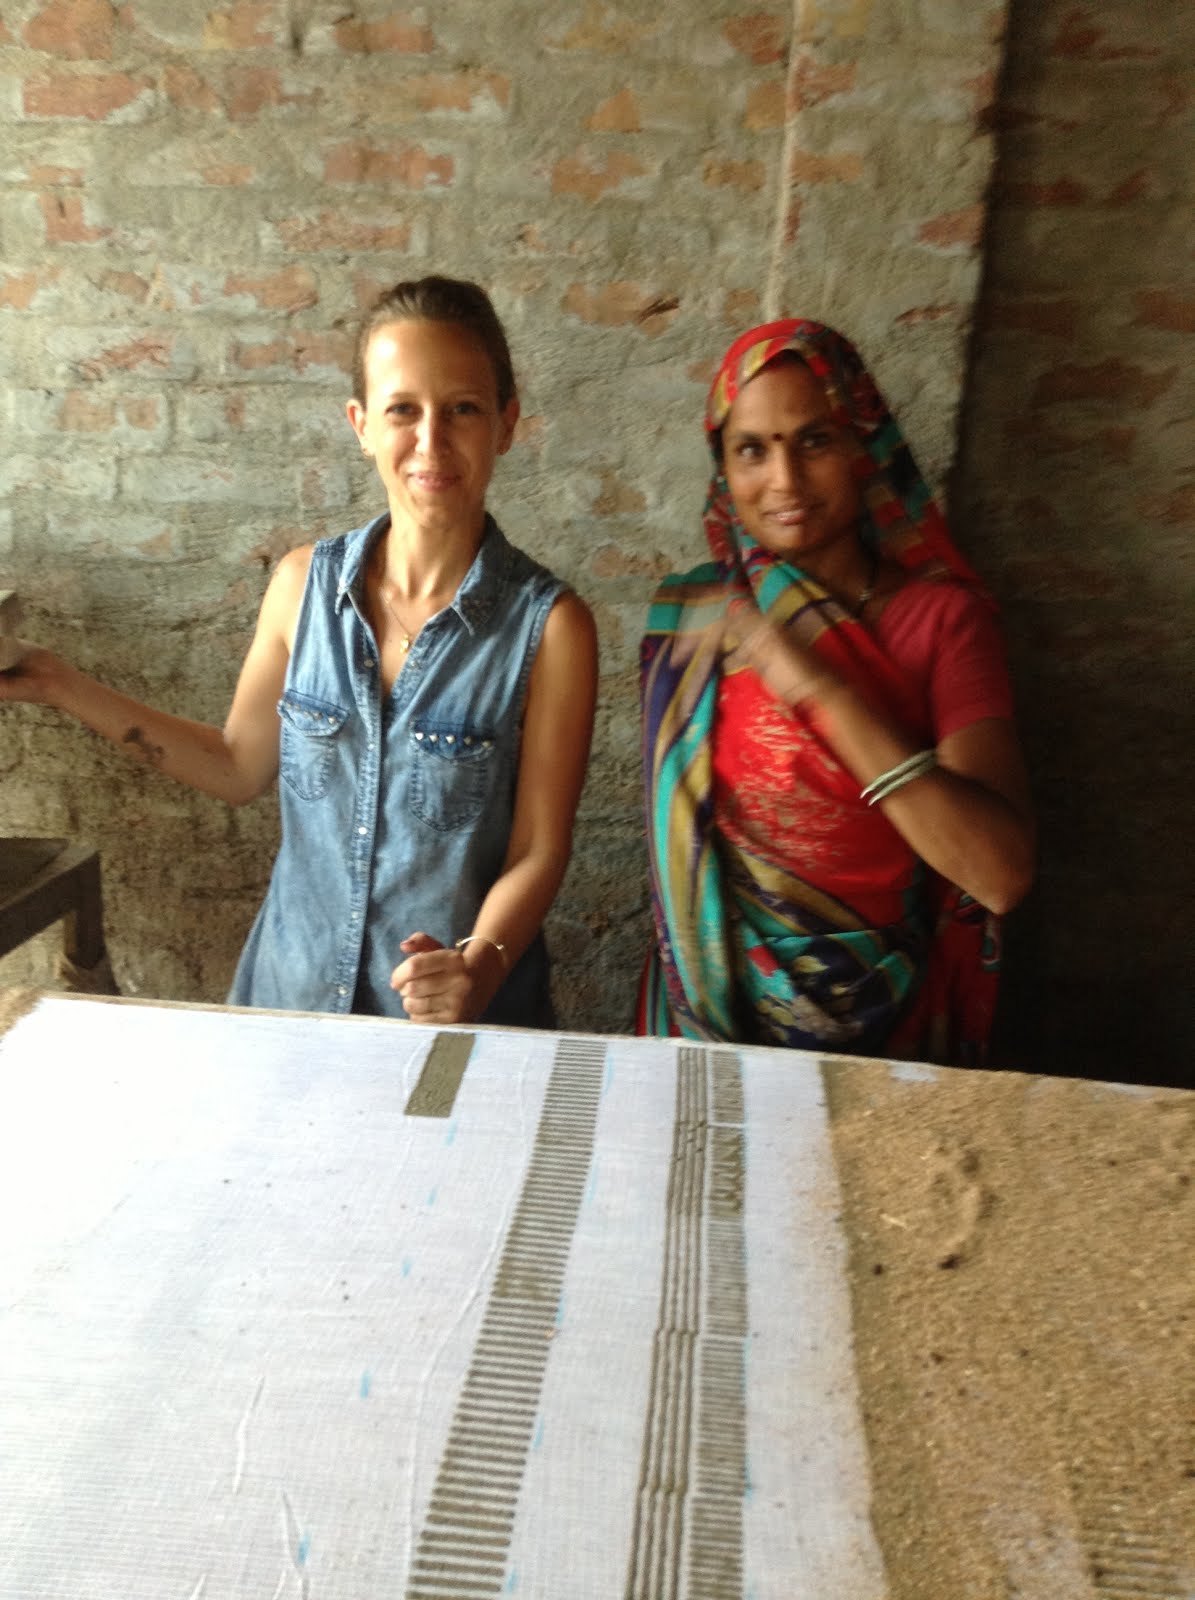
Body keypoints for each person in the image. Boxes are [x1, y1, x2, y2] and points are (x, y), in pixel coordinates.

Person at [1, 276, 598, 1028]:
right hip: (289, 1008)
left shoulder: (550, 627)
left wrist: (479, 965)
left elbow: (539, 848)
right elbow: (236, 765)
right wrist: (58, 683)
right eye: (402, 410)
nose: (431, 441)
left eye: (463, 409)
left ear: (506, 423)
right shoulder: (300, 587)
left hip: (453, 1026)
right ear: (361, 424)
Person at [638, 317, 1034, 1064]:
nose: (784, 481)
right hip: (711, 1014)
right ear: (723, 470)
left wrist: (822, 691)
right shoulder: (695, 619)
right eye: (752, 450)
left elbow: (999, 876)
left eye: (814, 440)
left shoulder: (943, 622)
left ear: (861, 448)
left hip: (888, 1020)